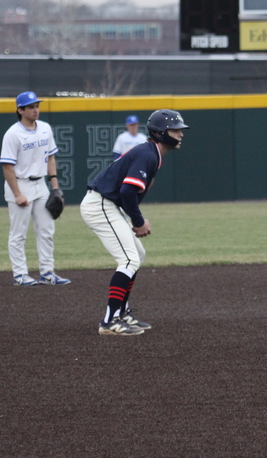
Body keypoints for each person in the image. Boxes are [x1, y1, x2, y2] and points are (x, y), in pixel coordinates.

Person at [81, 109, 189, 335]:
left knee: (137, 256)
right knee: (129, 259)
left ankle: (122, 312)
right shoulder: (147, 154)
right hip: (100, 204)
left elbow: (127, 193)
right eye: (175, 130)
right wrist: (138, 221)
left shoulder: (151, 154)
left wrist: (135, 218)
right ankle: (109, 322)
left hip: (107, 204)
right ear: (160, 133)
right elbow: (128, 191)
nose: (180, 134)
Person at [0, 91, 70, 287]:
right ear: (20, 110)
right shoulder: (13, 134)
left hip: (41, 185)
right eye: (31, 107)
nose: (35, 109)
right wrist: (17, 194)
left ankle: (47, 273)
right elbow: (7, 167)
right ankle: (20, 274)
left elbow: (51, 158)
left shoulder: (45, 128)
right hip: (20, 184)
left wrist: (55, 187)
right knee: (18, 233)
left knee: (47, 230)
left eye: (36, 105)